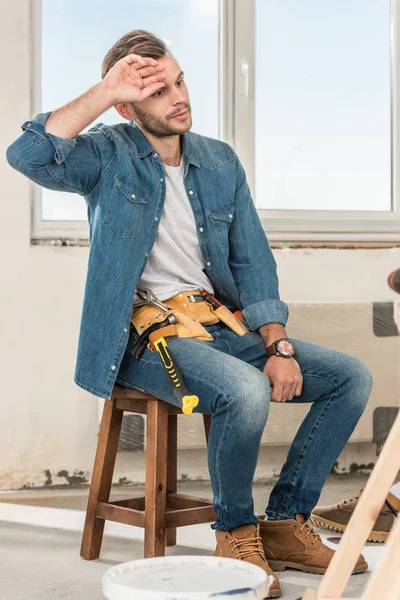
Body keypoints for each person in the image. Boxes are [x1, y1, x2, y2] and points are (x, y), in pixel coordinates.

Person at [6, 29, 372, 598]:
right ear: (127, 106)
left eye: (180, 81)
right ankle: (234, 533)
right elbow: (26, 154)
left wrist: (277, 345)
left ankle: (284, 523)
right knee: (244, 392)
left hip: (218, 325)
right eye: (158, 92)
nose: (179, 98)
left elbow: (253, 262)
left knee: (350, 377)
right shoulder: (108, 152)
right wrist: (105, 91)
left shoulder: (219, 161)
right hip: (143, 339)